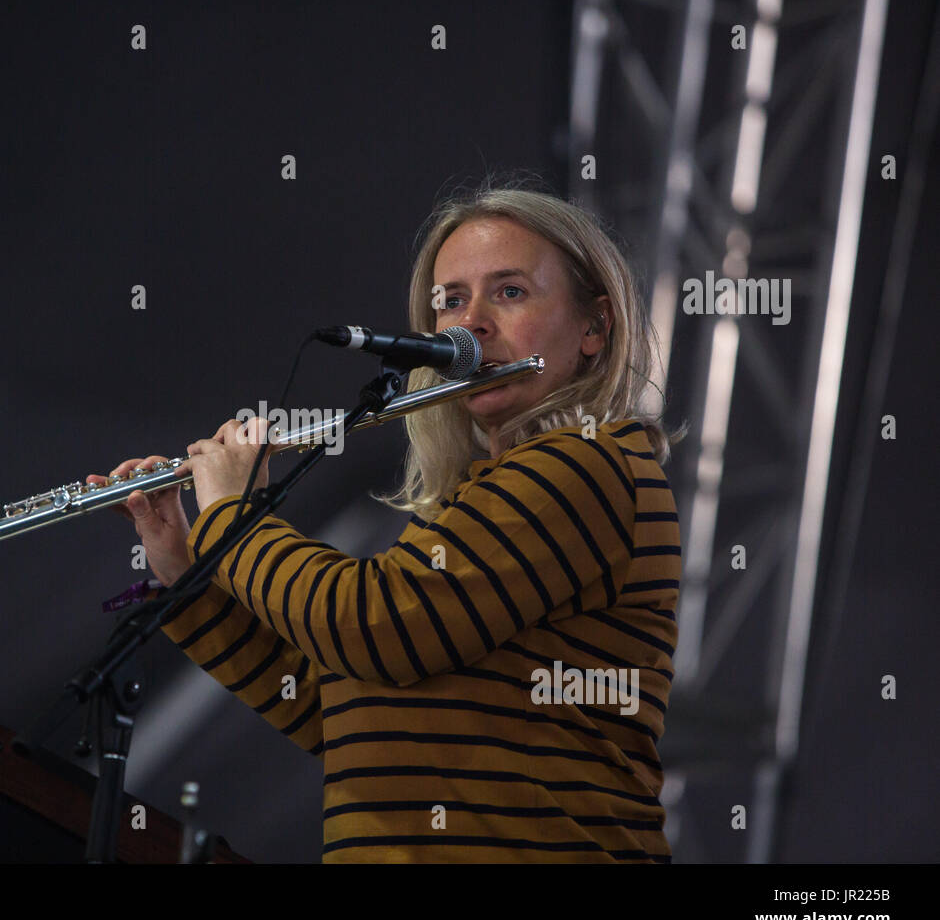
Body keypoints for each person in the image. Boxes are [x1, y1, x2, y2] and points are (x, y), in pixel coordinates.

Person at [89, 183, 680, 863]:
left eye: (510, 292)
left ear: (594, 327)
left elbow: (375, 627)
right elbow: (340, 712)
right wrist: (187, 562)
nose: (471, 326)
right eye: (451, 300)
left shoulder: (585, 468)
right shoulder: (480, 500)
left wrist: (233, 517)